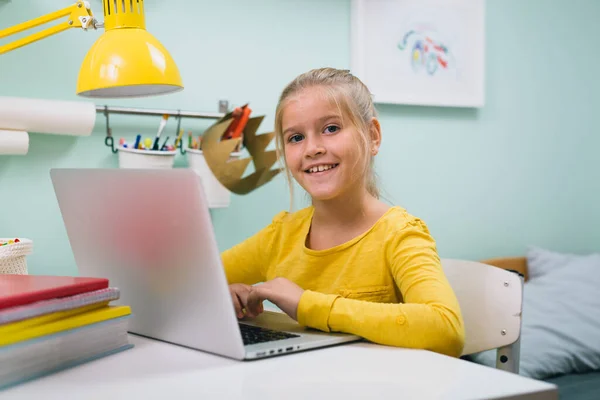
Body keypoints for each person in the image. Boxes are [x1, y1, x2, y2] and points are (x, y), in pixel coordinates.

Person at [221, 67, 465, 357]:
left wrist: (306, 305)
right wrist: (220, 295)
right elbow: (182, 285)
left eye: (331, 129)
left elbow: (446, 328)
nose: (312, 149)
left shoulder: (400, 234)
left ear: (373, 136)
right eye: (296, 138)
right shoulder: (280, 235)